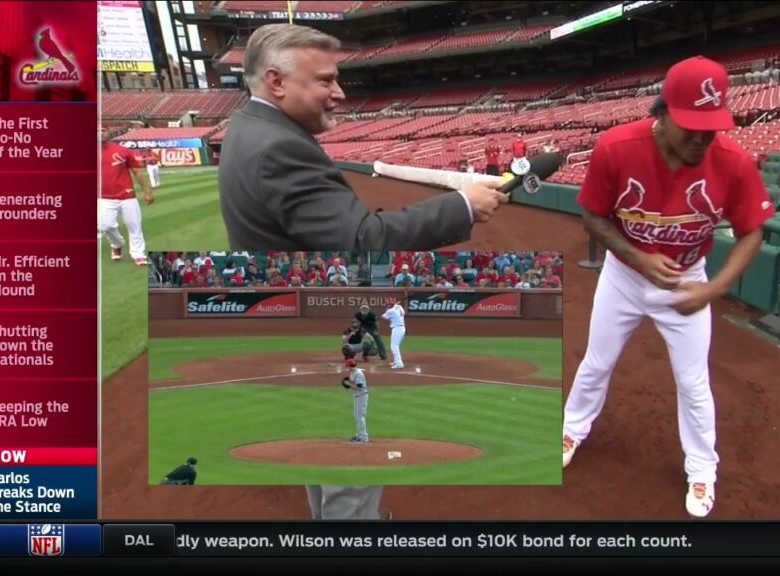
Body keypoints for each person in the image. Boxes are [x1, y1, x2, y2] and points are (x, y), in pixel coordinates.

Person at [560, 56, 775, 519]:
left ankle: (702, 469)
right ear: (663, 114)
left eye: (710, 128)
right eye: (691, 127)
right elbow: (593, 216)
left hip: (688, 281)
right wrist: (637, 257)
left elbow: (752, 233)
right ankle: (571, 429)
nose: (701, 138)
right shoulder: (617, 148)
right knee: (597, 362)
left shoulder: (732, 162)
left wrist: (712, 289)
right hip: (623, 276)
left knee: (693, 382)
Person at [217, 24, 508, 250]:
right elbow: (362, 242)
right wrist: (464, 205)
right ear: (276, 81)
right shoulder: (281, 147)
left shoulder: (246, 126)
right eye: (325, 80)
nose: (340, 93)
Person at [100, 125, 153, 266]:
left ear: (108, 132)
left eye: (103, 131)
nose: (100, 133)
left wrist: (147, 191)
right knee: (105, 226)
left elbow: (137, 172)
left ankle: (138, 254)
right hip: (104, 197)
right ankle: (117, 243)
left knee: (134, 225)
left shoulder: (123, 151)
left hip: (127, 195)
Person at [343, 359, 369, 442]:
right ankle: (360, 434)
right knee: (357, 416)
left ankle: (364, 437)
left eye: (348, 366)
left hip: (362, 396)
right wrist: (349, 382)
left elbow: (359, 387)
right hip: (357, 396)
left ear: (350, 366)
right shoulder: (353, 372)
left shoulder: (358, 374)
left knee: (360, 417)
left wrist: (349, 385)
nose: (347, 367)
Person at [382, 299, 406, 369]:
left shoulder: (390, 311)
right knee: (395, 345)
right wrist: (396, 306)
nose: (387, 306)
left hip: (397, 329)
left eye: (388, 304)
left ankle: (399, 363)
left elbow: (383, 317)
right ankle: (396, 361)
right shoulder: (399, 307)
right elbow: (403, 313)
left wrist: (388, 309)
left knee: (394, 346)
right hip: (401, 328)